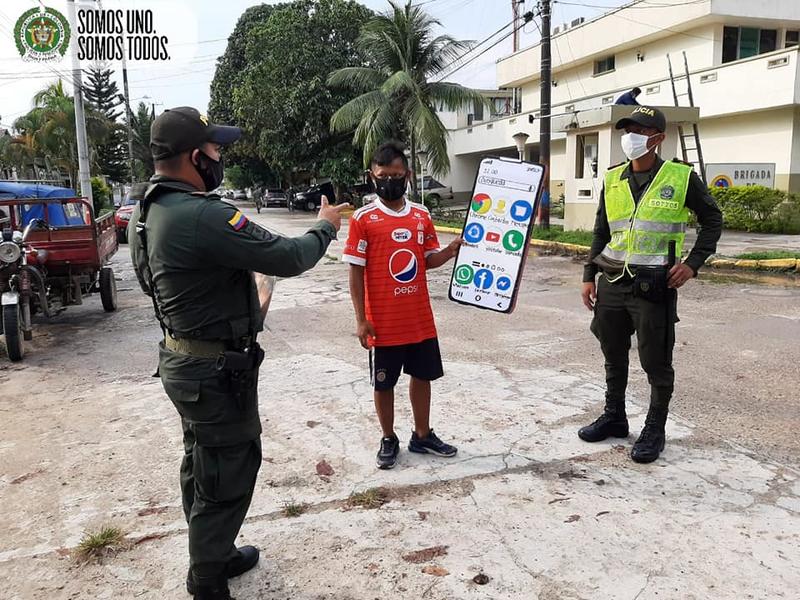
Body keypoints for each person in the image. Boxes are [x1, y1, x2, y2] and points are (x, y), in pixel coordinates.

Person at [128, 106, 349, 600]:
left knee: (201, 461)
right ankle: (207, 578)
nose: (219, 155)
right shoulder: (203, 214)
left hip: (182, 358)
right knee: (228, 468)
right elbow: (289, 257)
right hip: (212, 372)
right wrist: (325, 225)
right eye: (214, 148)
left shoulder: (147, 210)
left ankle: (215, 551)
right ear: (192, 156)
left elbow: (159, 284)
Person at [579, 106, 722, 464]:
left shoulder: (680, 177)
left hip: (653, 285)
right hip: (612, 280)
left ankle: (655, 428)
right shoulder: (612, 179)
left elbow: (712, 219)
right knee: (612, 353)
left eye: (640, 131)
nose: (631, 137)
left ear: (657, 138)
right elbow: (602, 230)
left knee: (655, 361)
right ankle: (615, 416)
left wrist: (692, 265)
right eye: (627, 130)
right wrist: (587, 275)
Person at [342, 141, 462, 470]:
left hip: (419, 319)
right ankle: (388, 437)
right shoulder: (363, 219)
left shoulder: (421, 215)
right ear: (372, 176)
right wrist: (360, 319)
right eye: (383, 176)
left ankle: (422, 435)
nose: (390, 181)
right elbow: (356, 272)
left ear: (407, 175)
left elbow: (427, 261)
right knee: (384, 383)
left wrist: (451, 251)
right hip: (382, 322)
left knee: (422, 377)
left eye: (396, 175)